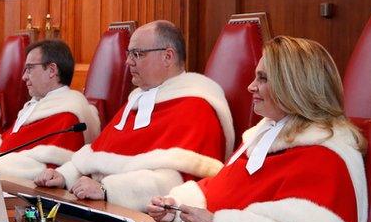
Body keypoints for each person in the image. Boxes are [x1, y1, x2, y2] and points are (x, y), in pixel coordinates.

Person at [146, 36, 368, 222]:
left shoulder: (323, 155)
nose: (251, 86)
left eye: (263, 79)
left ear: (293, 87)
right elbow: (223, 190)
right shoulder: (263, 136)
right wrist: (176, 208)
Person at [34, 21, 233, 211]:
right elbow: (97, 154)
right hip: (103, 208)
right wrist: (63, 175)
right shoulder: (139, 99)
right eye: (129, 54)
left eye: (137, 54)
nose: (128, 61)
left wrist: (107, 190)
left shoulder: (196, 107)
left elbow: (177, 181)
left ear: (168, 57)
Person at [0, 40, 100, 180]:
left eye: (29, 68)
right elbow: (4, 142)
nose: (24, 76)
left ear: (52, 70)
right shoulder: (35, 104)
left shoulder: (69, 114)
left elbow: (44, 168)